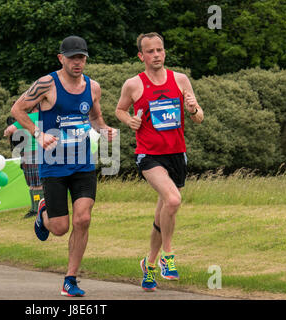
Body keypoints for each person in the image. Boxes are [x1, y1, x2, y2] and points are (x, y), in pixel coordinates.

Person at [11, 36, 117, 297]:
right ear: (61, 59)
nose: (77, 62)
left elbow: (94, 117)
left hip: (82, 164)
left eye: (81, 57)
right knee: (59, 228)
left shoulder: (93, 87)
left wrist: (104, 130)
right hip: (54, 164)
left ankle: (70, 279)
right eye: (72, 58)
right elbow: (18, 109)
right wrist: (38, 134)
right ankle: (43, 212)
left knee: (84, 218)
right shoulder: (47, 84)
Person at [115, 32, 204, 291]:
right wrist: (128, 120)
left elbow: (199, 117)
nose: (156, 55)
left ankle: (149, 266)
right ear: (141, 56)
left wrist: (193, 110)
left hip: (176, 154)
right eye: (150, 51)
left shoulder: (180, 80)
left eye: (160, 50)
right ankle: (168, 256)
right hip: (149, 155)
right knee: (173, 200)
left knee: (163, 210)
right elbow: (120, 109)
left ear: (164, 52)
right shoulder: (133, 84)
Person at [4, 103, 43, 218]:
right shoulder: (47, 116)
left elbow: (9, 130)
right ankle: (37, 208)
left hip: (30, 152)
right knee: (39, 183)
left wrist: (9, 132)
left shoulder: (27, 118)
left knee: (34, 184)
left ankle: (37, 209)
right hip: (46, 151)